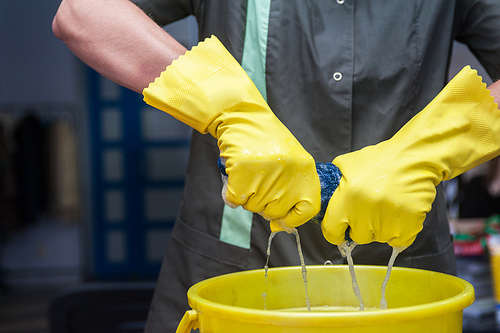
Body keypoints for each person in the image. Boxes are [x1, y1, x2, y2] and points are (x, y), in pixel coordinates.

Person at [52, 0, 500, 331]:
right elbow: (85, 13)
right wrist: (225, 106)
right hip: (228, 270)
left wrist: (436, 148)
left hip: (402, 274)